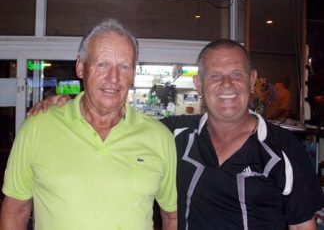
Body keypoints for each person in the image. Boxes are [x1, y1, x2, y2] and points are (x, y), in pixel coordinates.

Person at [26, 39, 323, 230]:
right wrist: (67, 105)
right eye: (215, 76)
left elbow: (302, 226)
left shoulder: (283, 149)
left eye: (237, 74)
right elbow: (116, 118)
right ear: (199, 85)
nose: (227, 85)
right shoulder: (174, 135)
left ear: (253, 80)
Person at [0, 19, 177, 230]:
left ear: (133, 74)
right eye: (102, 64)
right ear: (81, 67)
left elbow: (171, 217)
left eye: (124, 66)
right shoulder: (38, 127)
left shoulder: (159, 137)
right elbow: (16, 211)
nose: (114, 78)